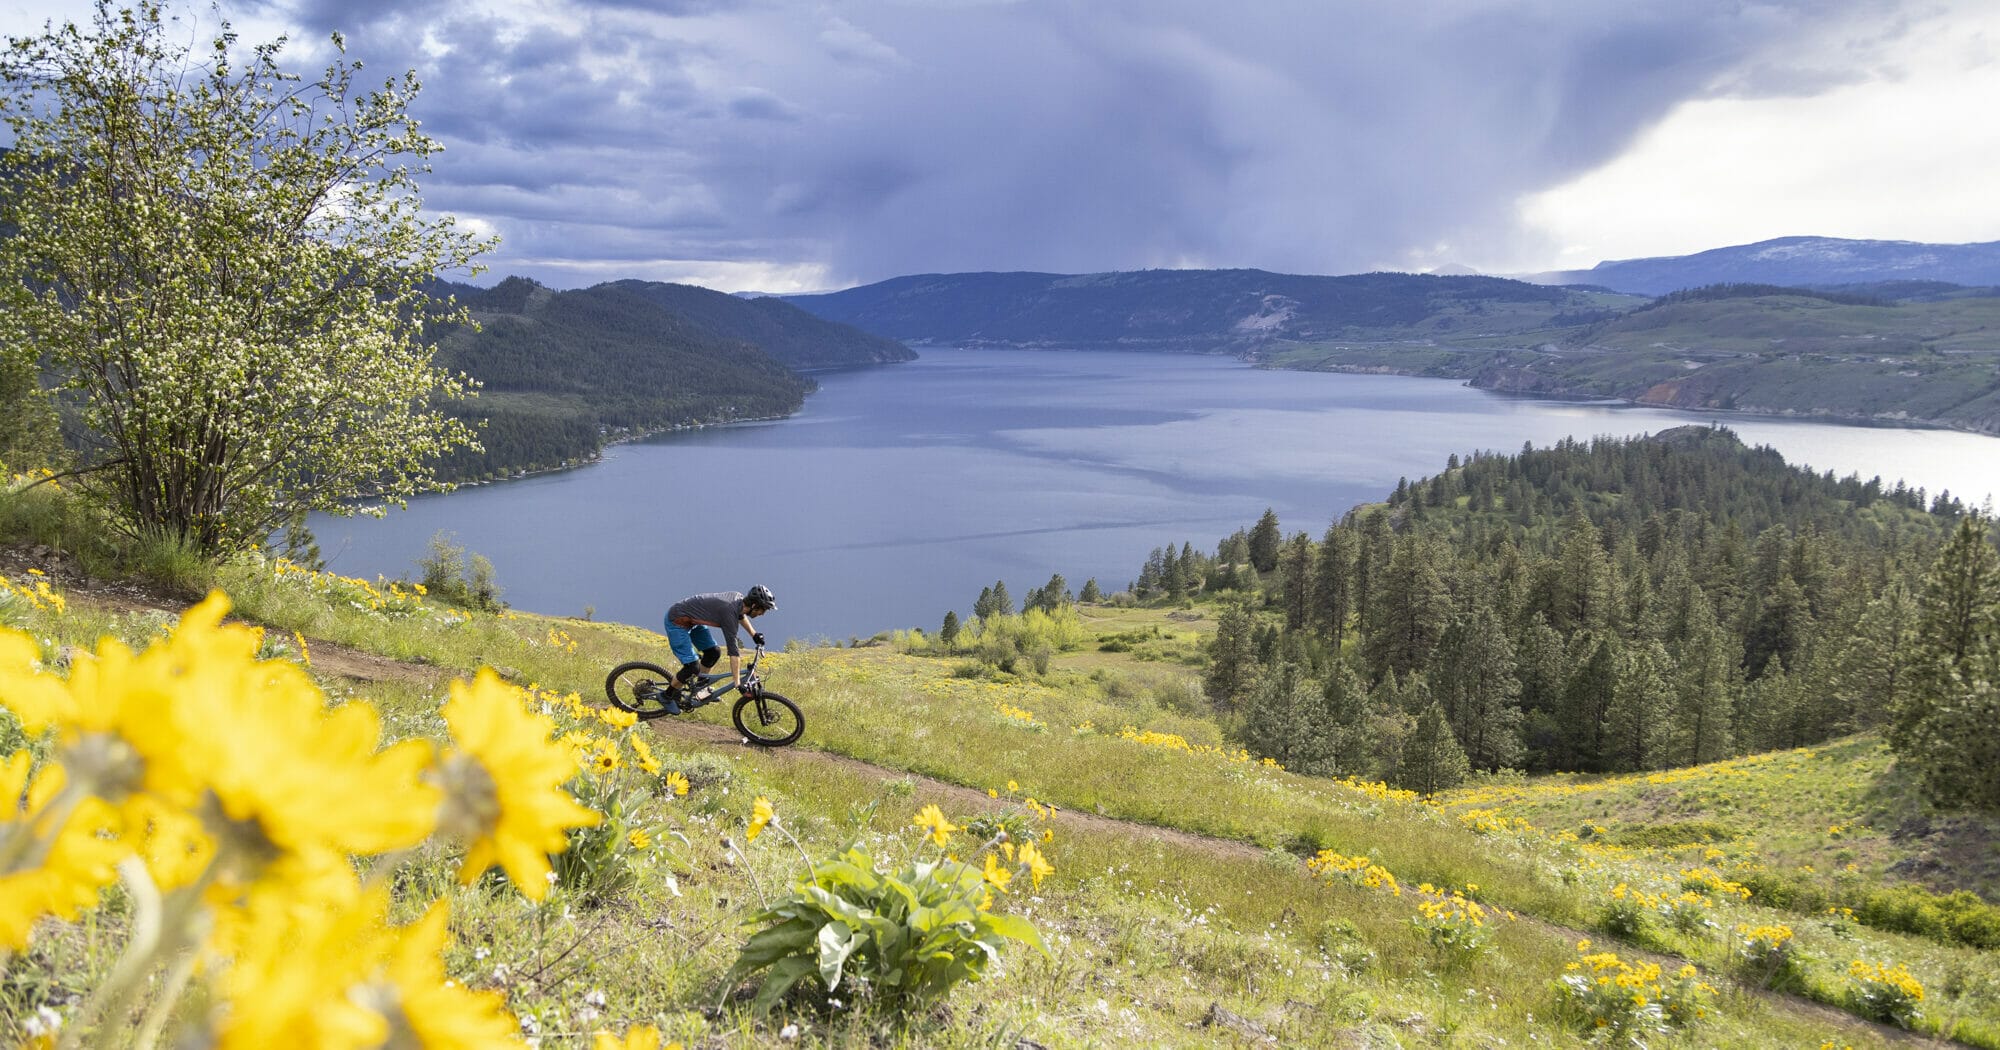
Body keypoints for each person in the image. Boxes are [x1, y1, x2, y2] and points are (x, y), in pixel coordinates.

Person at [660, 585, 775, 713]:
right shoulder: (729, 612)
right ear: (754, 605)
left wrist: (754, 634)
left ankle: (700, 688)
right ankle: (666, 696)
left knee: (713, 652)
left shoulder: (739, 600)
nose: (762, 614)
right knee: (692, 667)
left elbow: (740, 615)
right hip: (677, 621)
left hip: (692, 622)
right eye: (762, 610)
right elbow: (733, 652)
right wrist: (737, 683)